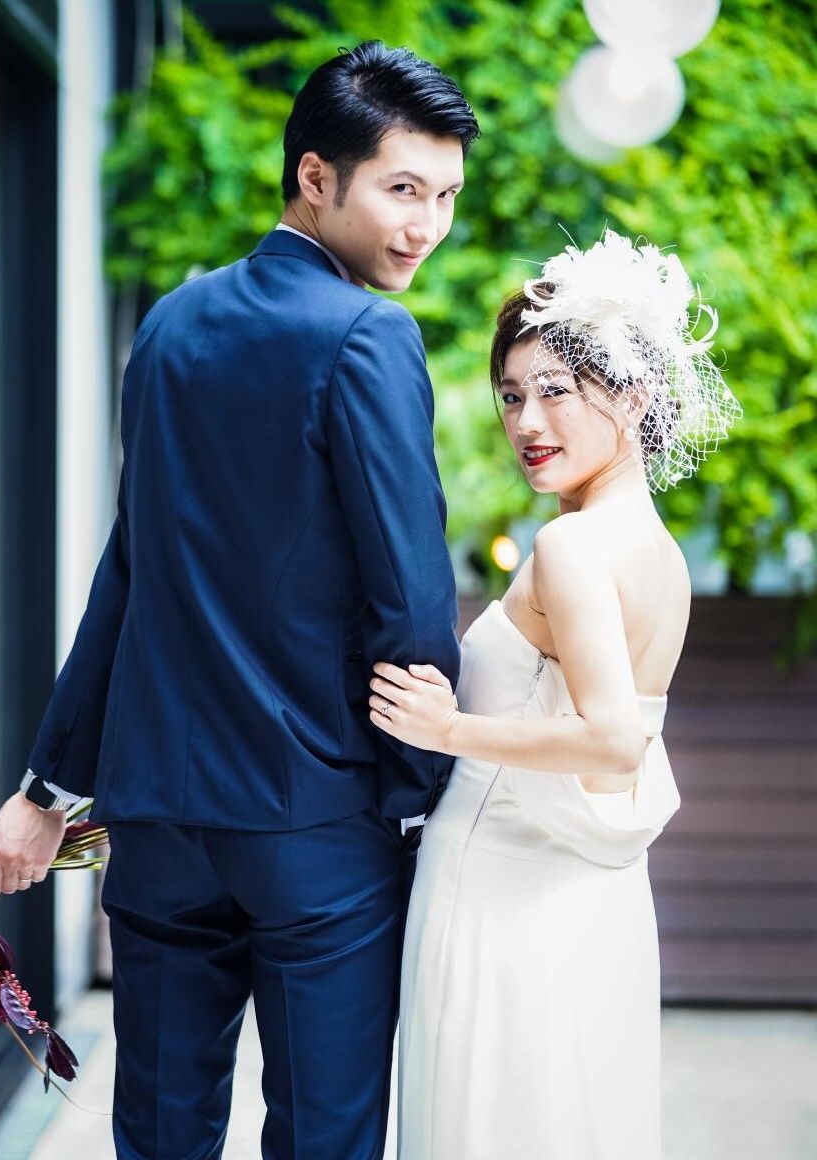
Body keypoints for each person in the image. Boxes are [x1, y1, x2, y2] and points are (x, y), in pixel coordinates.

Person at [0, 41, 479, 1160]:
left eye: (446, 196)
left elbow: (129, 572)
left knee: (160, 1134)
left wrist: (50, 783)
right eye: (404, 189)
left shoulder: (171, 323)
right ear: (315, 176)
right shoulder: (370, 334)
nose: (426, 226)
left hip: (160, 825)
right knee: (322, 1138)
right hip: (318, 826)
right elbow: (409, 599)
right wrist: (417, 798)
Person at [369, 231, 741, 1160]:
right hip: (596, 906)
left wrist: (448, 727)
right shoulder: (661, 555)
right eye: (511, 395)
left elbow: (613, 737)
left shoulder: (571, 547)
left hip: (501, 892)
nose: (527, 420)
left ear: (635, 395)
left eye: (556, 390)